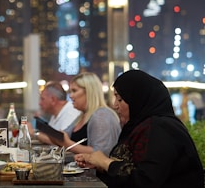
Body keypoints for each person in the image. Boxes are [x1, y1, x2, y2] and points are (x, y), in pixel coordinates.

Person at [75, 69, 204, 188]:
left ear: (137, 99)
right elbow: (128, 171)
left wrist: (105, 162)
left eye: (120, 99)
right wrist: (100, 166)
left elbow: (145, 181)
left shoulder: (160, 128)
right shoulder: (140, 126)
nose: (115, 105)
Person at [49, 72, 121, 156]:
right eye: (70, 91)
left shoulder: (101, 115)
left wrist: (68, 144)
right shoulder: (82, 116)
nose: (71, 96)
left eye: (74, 91)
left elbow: (101, 154)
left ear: (89, 92)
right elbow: (63, 137)